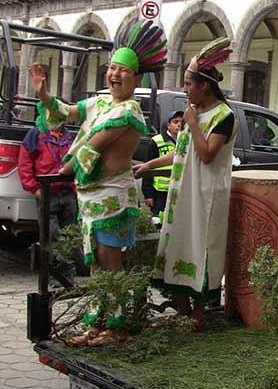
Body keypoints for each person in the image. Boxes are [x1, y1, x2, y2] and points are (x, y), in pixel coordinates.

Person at [31, 19, 167, 344]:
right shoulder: (98, 102)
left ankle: (116, 327)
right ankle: (96, 323)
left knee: (111, 262)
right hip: (89, 199)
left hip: (113, 198)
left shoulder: (131, 112)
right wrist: (45, 95)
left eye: (123, 70)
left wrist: (63, 171)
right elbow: (65, 112)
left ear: (136, 77)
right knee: (96, 264)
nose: (115, 74)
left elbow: (90, 150)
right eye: (112, 68)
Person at [135, 38, 237, 330]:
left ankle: (200, 313)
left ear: (204, 86)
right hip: (182, 196)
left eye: (188, 84)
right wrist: (149, 166)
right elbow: (181, 153)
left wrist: (192, 123)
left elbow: (206, 155)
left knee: (202, 249)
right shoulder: (196, 113)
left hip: (206, 198)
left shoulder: (223, 116)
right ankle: (181, 309)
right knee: (178, 245)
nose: (184, 89)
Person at [18, 110, 77, 280]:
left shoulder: (68, 136)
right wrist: (34, 189)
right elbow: (25, 162)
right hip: (47, 194)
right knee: (51, 236)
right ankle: (57, 278)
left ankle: (68, 278)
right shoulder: (36, 134)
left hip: (68, 193)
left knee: (70, 235)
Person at [142, 110, 183, 221]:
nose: (179, 125)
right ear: (168, 125)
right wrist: (148, 194)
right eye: (175, 122)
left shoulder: (186, 142)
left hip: (179, 191)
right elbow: (147, 168)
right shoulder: (157, 141)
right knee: (159, 221)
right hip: (160, 192)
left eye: (182, 122)